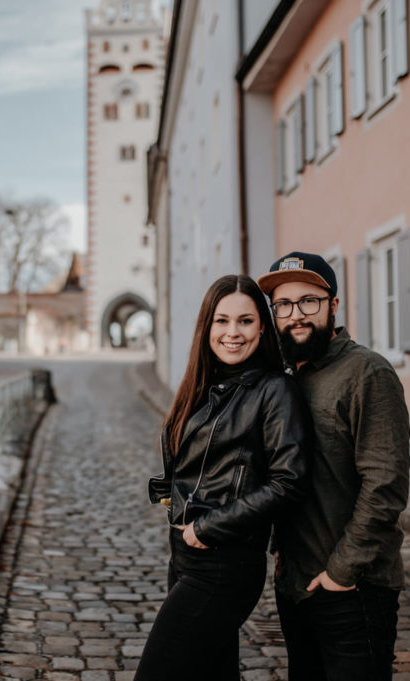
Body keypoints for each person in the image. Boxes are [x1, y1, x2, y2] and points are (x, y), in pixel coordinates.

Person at [136, 274, 310, 680]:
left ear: (262, 327)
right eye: (222, 321)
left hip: (224, 563)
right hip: (184, 558)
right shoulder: (202, 385)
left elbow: (290, 481)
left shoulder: (274, 391)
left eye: (246, 321)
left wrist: (207, 527)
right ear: (207, 327)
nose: (233, 333)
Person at [257, 252, 410, 681]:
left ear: (333, 305)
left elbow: (386, 484)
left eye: (309, 301)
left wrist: (341, 573)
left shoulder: (367, 373)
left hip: (354, 588)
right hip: (296, 587)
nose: (296, 316)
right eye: (284, 306)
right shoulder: (285, 377)